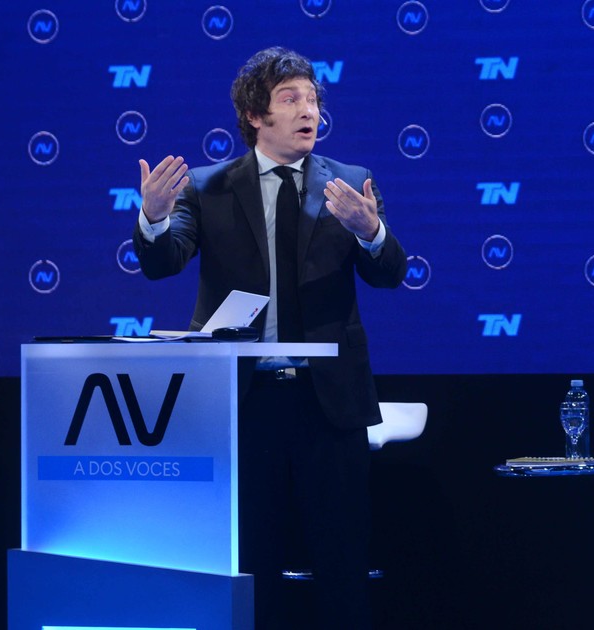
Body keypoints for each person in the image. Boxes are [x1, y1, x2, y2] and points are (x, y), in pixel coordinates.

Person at [133, 47, 408, 629]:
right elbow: (163, 262)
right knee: (248, 563)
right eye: (291, 99)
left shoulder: (349, 182)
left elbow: (390, 274)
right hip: (243, 404)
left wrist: (371, 231)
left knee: (342, 566)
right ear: (255, 115)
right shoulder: (208, 187)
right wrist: (153, 218)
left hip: (328, 403)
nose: (309, 111)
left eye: (313, 100)